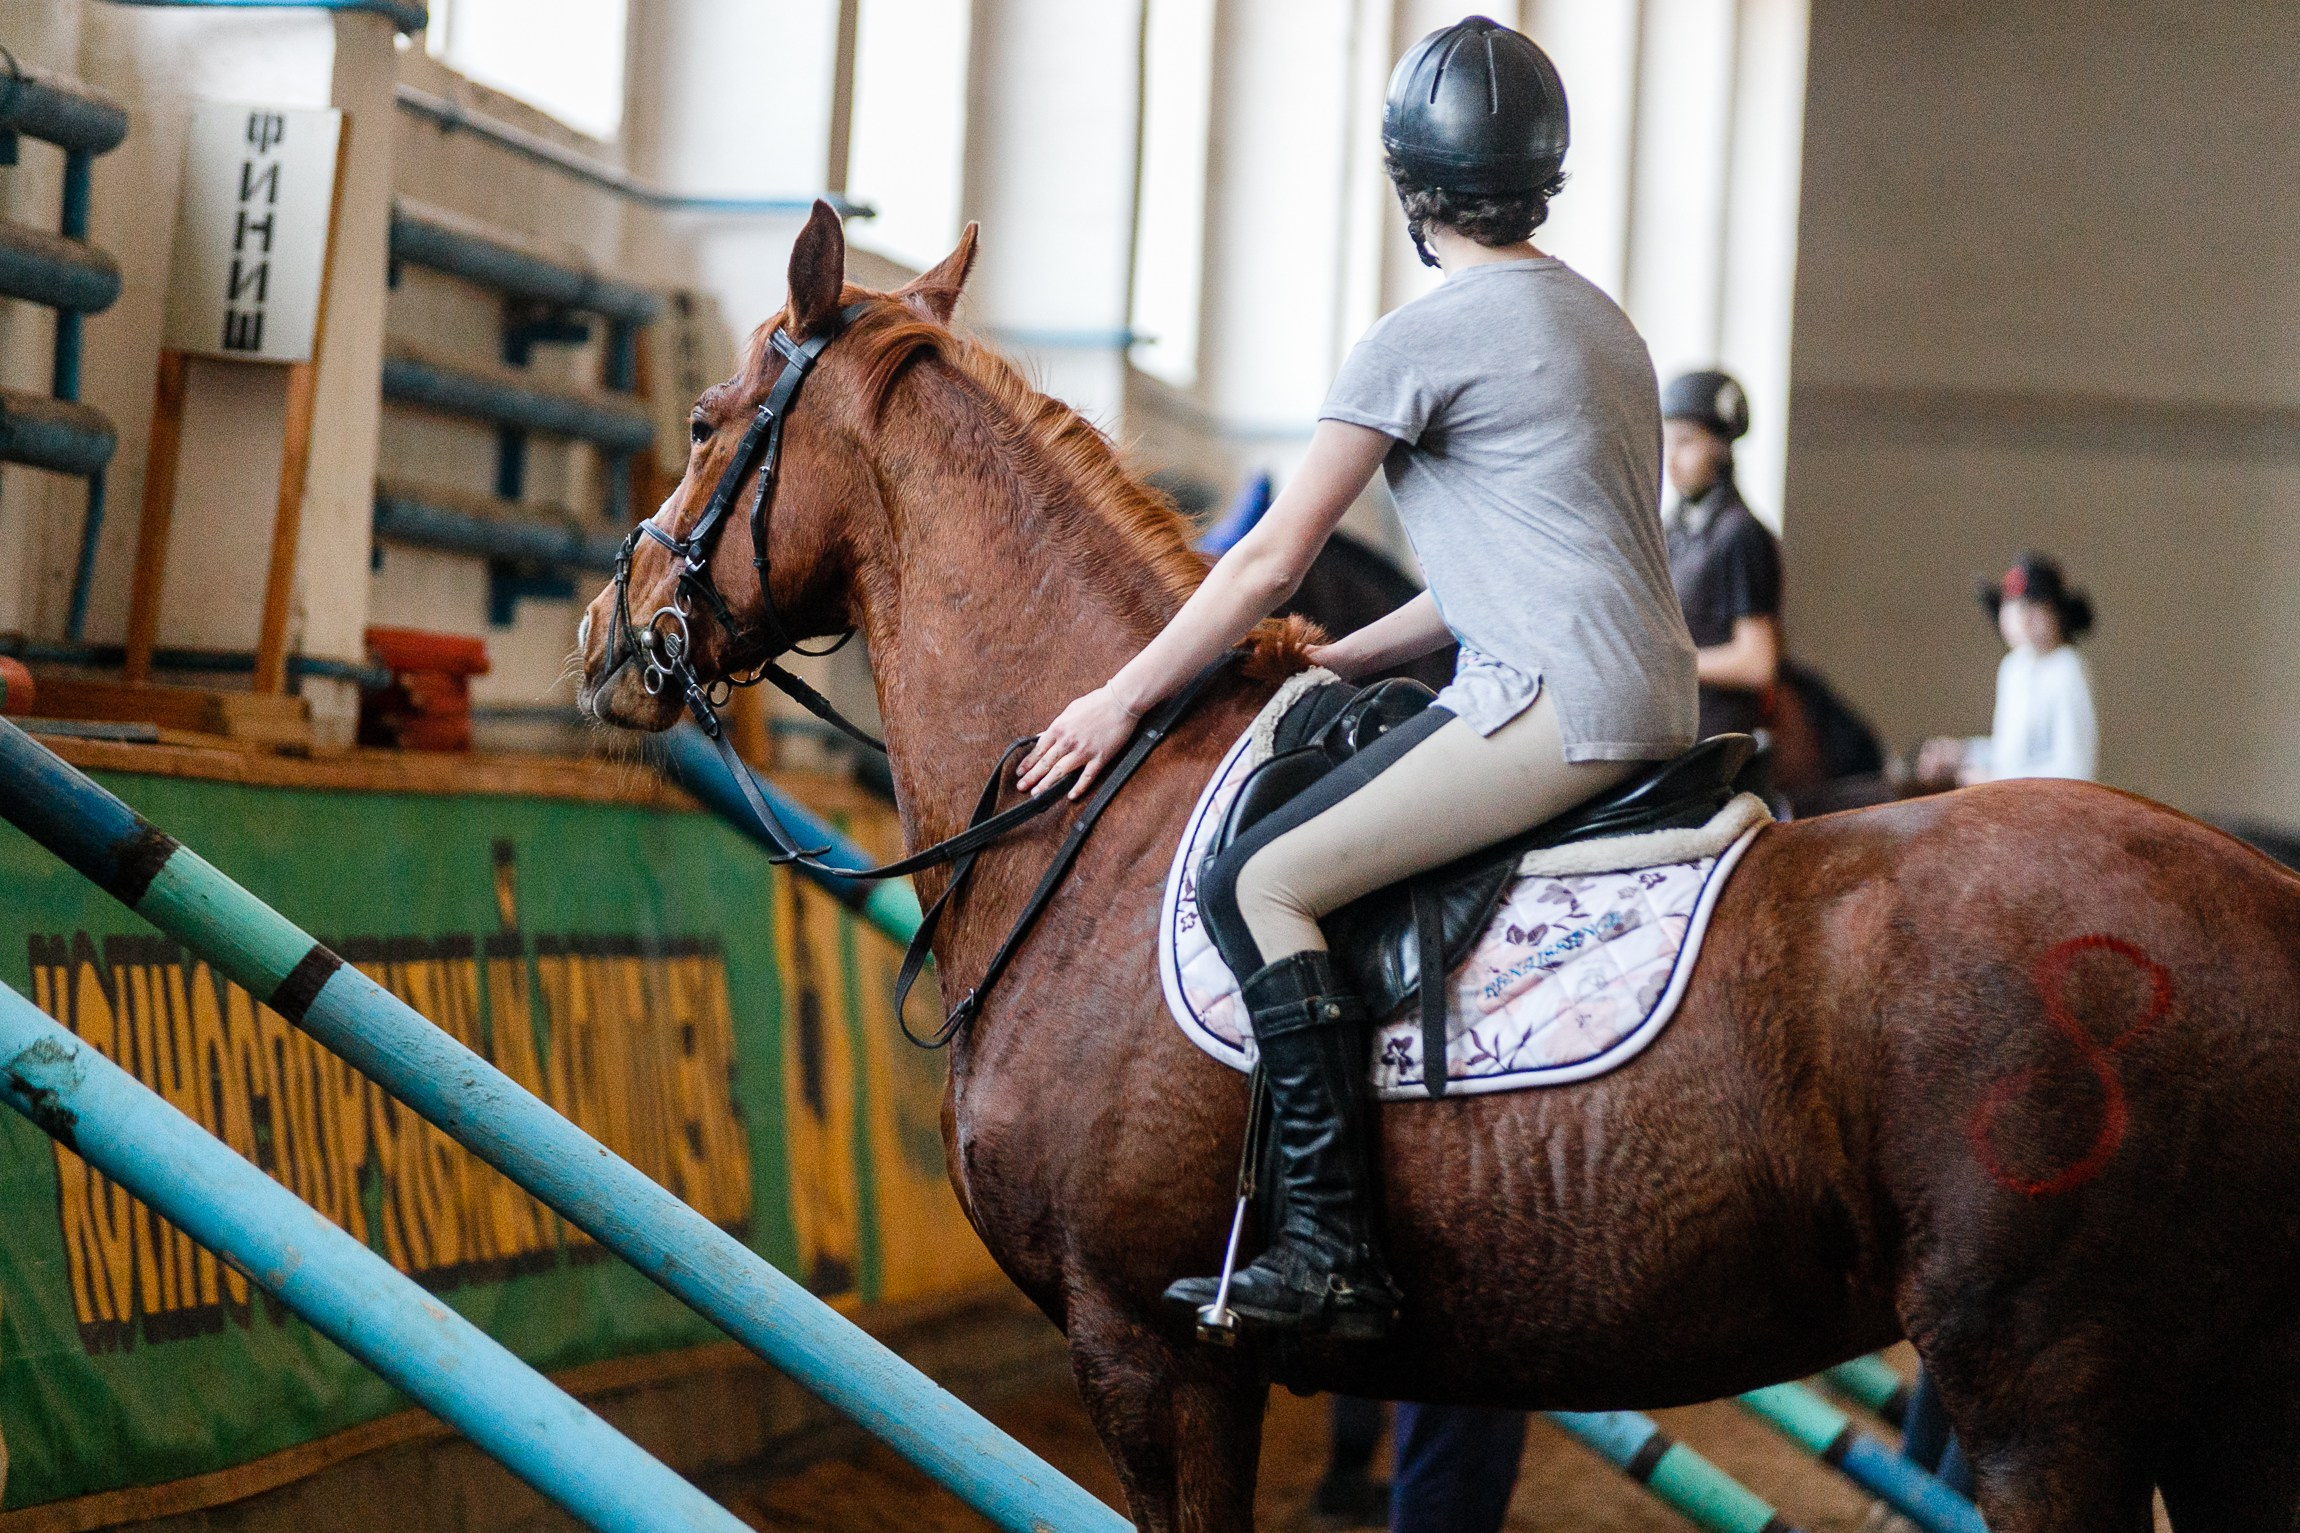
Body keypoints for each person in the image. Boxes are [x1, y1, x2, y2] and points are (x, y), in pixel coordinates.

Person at [1016, 15, 1697, 1340]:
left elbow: (1270, 554)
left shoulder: (1420, 335)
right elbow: (1505, 572)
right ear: (1542, 176)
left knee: (1263, 876)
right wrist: (1343, 654)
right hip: (1651, 695)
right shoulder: (1603, 326)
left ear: (1409, 187)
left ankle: (1330, 1244)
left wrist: (1122, 698)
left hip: (1549, 709)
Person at [1659, 370, 1783, 743]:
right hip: (1679, 732)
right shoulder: (1675, 529)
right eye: (1667, 442)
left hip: (1713, 745)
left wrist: (1665, 665)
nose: (1672, 458)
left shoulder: (1739, 534)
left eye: (1686, 442)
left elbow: (1757, 661)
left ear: (1720, 447)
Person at [1916, 552, 2098, 784]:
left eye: (2034, 606)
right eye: (2013, 607)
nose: (2022, 617)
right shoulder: (2013, 669)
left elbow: (2074, 767)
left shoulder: (2066, 668)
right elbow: (2011, 754)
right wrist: (1963, 752)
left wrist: (1997, 780)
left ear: (2056, 614)